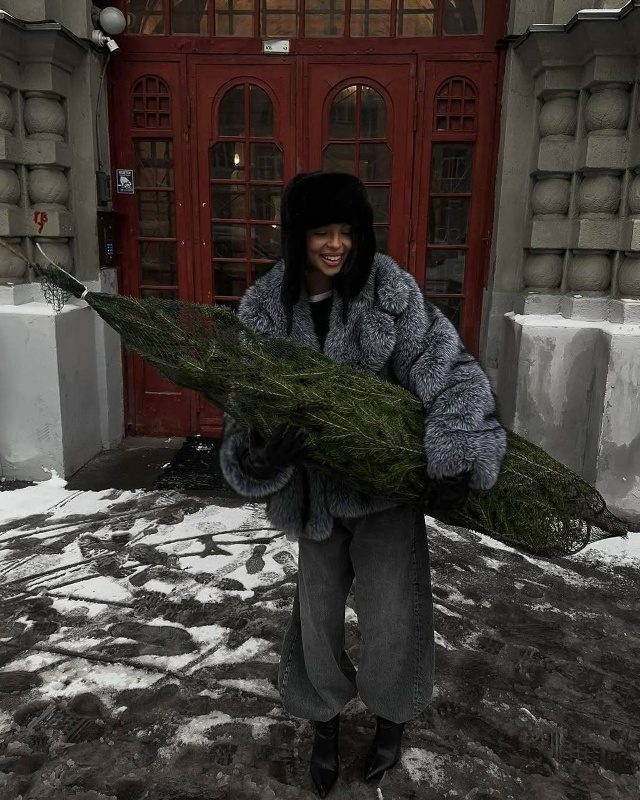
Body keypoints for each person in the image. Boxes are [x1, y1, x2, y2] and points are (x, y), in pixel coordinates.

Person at [220, 171, 506, 797]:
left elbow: (451, 372)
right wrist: (259, 458)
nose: (335, 245)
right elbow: (244, 405)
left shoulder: (388, 293)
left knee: (393, 614)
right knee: (316, 615)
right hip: (314, 502)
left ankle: (390, 717)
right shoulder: (265, 310)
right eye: (321, 231)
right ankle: (323, 721)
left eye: (346, 231)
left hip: (384, 497)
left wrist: (457, 454)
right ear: (297, 236)